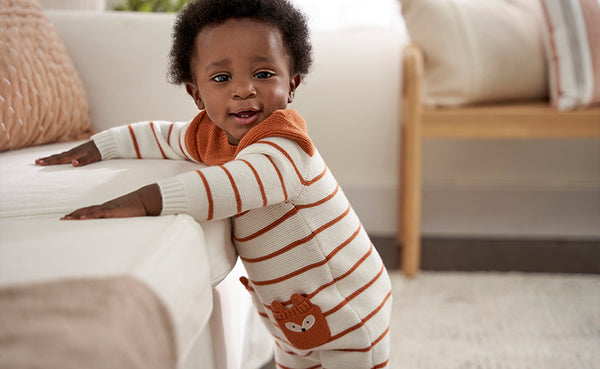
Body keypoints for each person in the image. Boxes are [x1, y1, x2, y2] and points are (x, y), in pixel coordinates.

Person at [36, 0, 392, 367]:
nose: (243, 90)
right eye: (222, 79)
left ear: (292, 84)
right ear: (196, 94)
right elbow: (161, 137)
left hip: (349, 311)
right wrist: (101, 146)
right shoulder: (215, 137)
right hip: (292, 317)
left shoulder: (285, 147)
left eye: (264, 73)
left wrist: (146, 200)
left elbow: (229, 185)